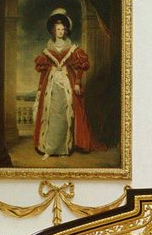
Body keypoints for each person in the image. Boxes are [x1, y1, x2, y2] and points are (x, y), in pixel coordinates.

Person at [33, 8, 102, 158]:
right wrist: (39, 89)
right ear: (53, 30)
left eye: (63, 29)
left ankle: (64, 149)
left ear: (66, 30)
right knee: (51, 115)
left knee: (66, 115)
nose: (61, 31)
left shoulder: (72, 49)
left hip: (67, 84)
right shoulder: (47, 50)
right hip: (50, 86)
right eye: (58, 29)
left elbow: (80, 67)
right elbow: (44, 71)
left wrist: (77, 82)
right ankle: (49, 149)